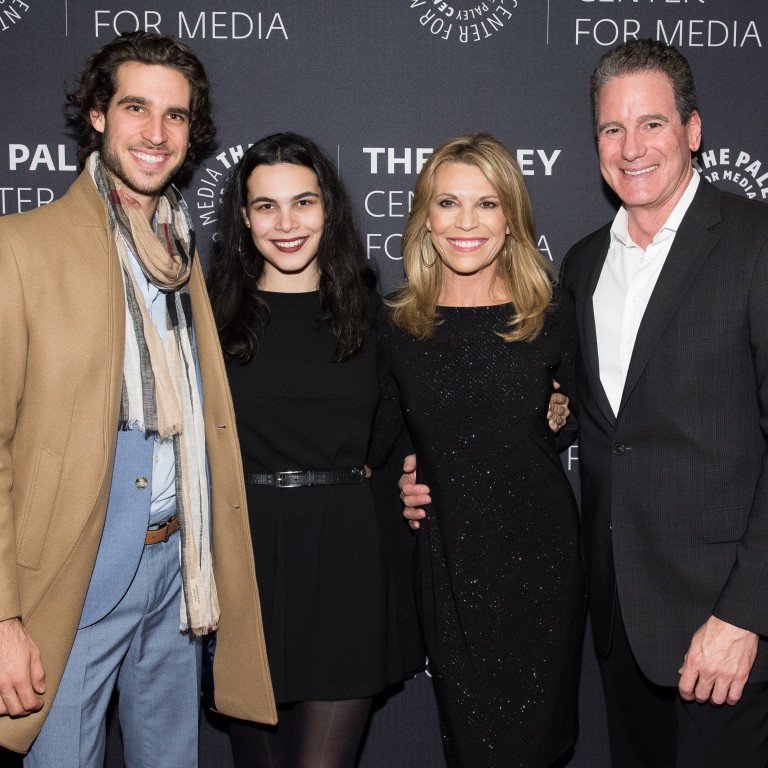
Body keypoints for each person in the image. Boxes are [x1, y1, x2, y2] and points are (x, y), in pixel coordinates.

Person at [404, 39, 768, 767]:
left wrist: (746, 612)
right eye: (611, 129)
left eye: (653, 124)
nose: (631, 148)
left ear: (693, 131)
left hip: (726, 625)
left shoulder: (755, 243)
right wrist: (416, 474)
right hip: (614, 622)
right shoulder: (580, 266)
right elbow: (524, 415)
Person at [0, 32, 275, 766]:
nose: (156, 134)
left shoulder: (184, 252)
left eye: (177, 116)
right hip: (73, 574)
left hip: (177, 571)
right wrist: (3, 617)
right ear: (96, 115)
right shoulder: (22, 249)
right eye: (135, 108)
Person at [206, 132, 424, 768]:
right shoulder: (210, 319)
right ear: (243, 220)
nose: (286, 223)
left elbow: (414, 424)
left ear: (328, 209)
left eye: (303, 201)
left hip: (348, 560)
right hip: (243, 561)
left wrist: (553, 402)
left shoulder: (375, 317)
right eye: (266, 206)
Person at [378, 133, 585, 767]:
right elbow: (383, 441)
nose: (467, 223)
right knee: (471, 746)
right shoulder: (396, 323)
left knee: (537, 745)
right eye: (448, 203)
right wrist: (399, 485)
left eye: (487, 204)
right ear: (425, 218)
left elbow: (581, 417)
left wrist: (558, 414)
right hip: (449, 562)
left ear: (512, 218)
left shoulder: (550, 310)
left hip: (542, 560)